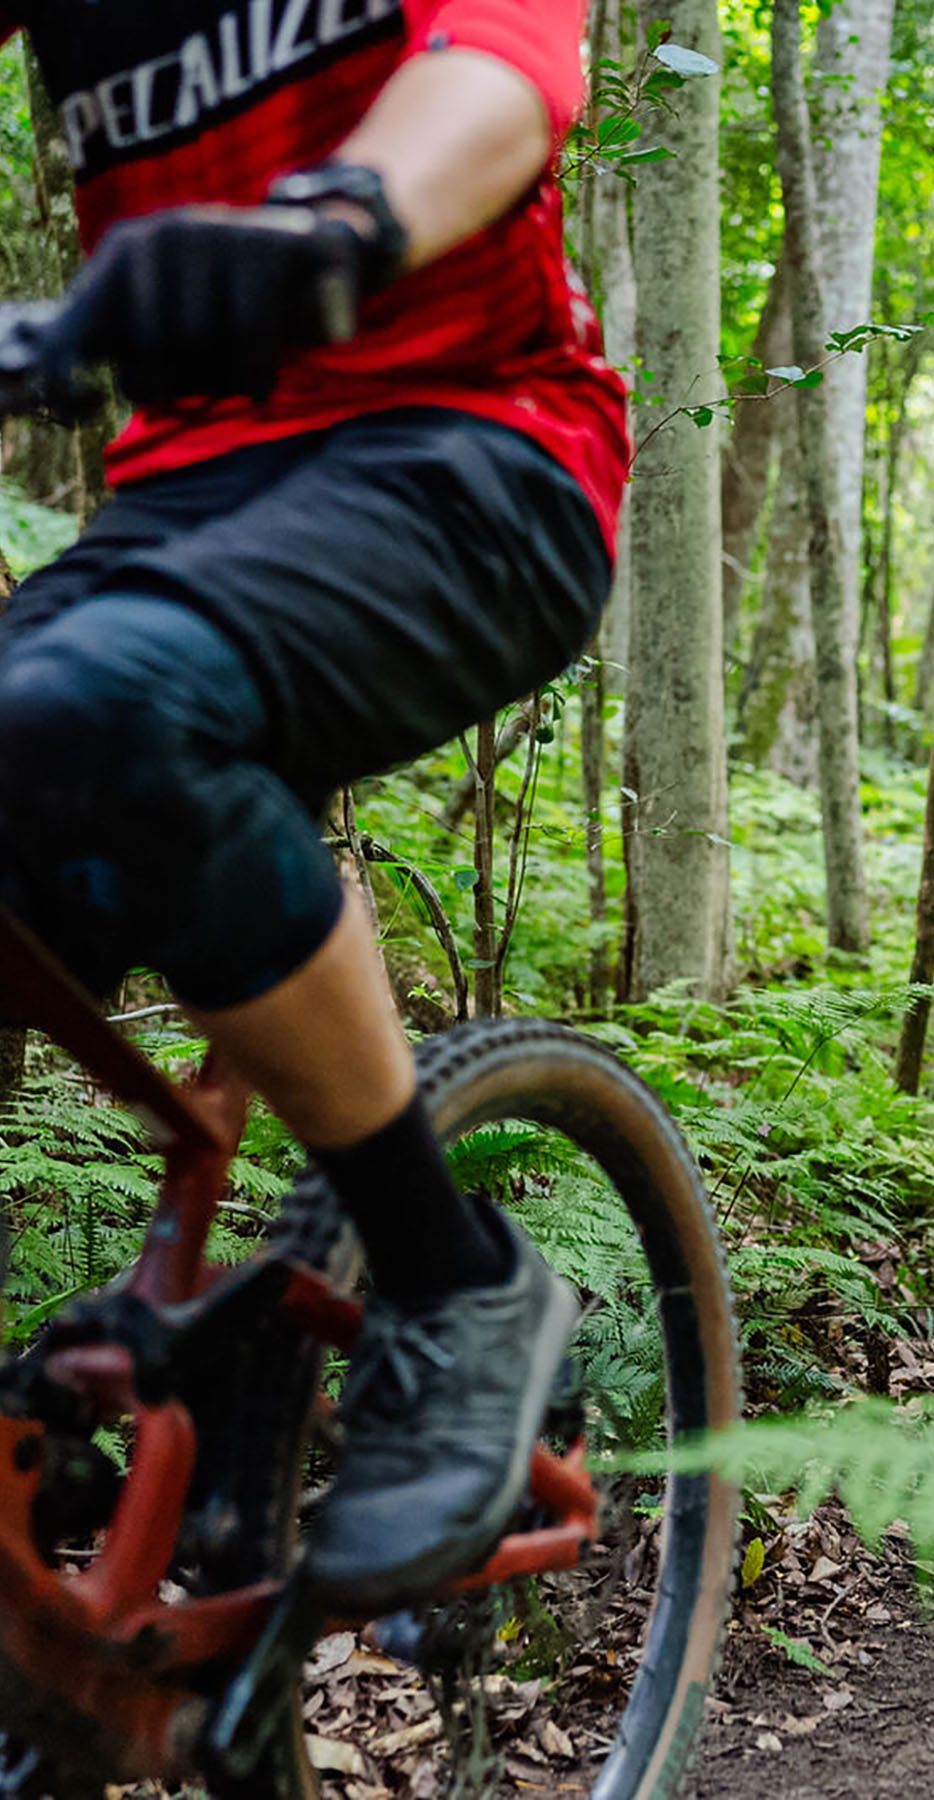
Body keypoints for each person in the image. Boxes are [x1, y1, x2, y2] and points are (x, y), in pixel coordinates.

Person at [0, 0, 624, 1611]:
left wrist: (333, 216)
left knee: (92, 715)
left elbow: (500, 72)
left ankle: (451, 1277)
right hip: (183, 501)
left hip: (473, 456)